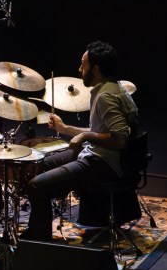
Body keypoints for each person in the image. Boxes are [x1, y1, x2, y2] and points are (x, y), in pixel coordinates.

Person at [22, 41, 139, 241]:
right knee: (43, 163)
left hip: (103, 163)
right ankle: (47, 214)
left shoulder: (106, 97)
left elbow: (120, 139)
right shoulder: (117, 88)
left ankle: (39, 242)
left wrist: (85, 136)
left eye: (83, 65)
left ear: (96, 69)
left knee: (35, 187)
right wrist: (64, 128)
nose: (79, 69)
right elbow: (101, 132)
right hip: (104, 156)